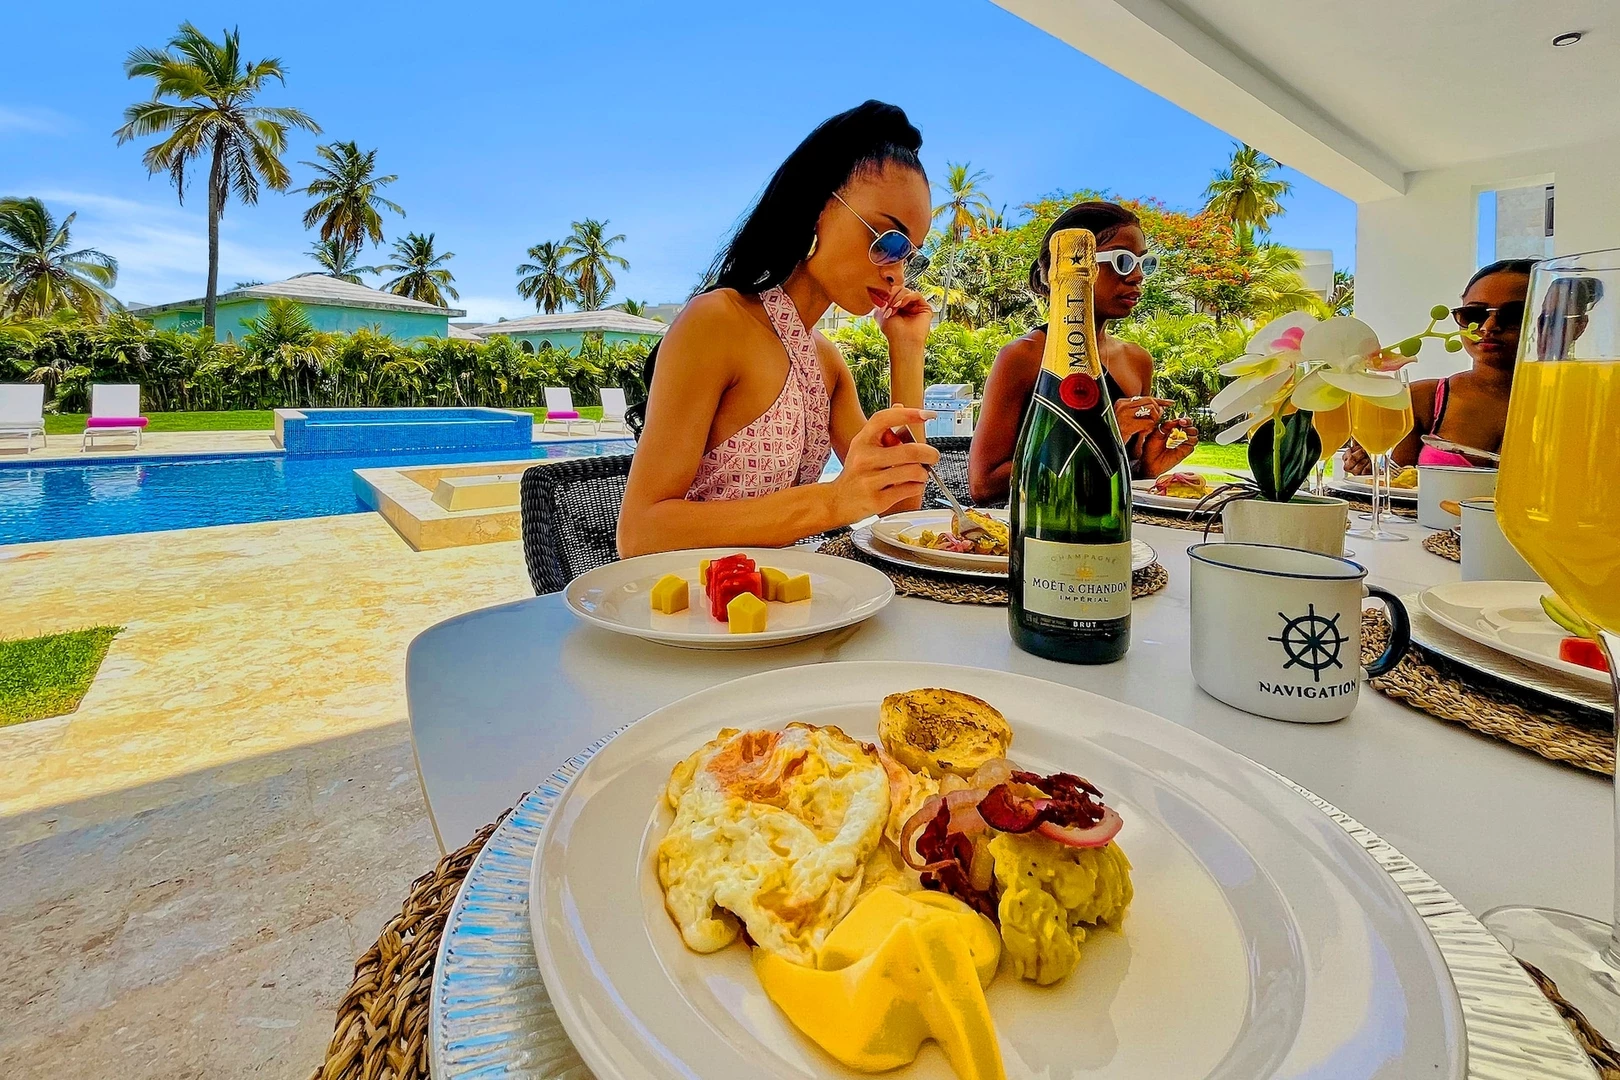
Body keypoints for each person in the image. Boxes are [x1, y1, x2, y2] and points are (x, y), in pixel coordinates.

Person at [617, 101, 940, 557]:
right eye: (888, 240)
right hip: (693, 594)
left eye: (908, 254)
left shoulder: (825, 363)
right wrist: (832, 501)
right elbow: (640, 533)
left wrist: (907, 349)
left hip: (782, 595)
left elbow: (901, 505)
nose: (895, 271)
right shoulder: (718, 322)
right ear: (818, 209)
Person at [968, 201, 1198, 505]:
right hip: (1044, 524)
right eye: (1122, 260)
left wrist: (1148, 468)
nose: (1137, 276)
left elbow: (1111, 475)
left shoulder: (1138, 361)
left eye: (1143, 262)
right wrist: (1103, 432)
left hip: (1111, 524)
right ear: (1072, 267)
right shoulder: (1025, 356)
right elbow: (984, 485)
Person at [1343, 259, 1534, 473]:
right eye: (1474, 315)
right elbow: (1397, 483)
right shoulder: (1424, 400)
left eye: (1514, 315)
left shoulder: (1562, 406)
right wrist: (1367, 467)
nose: (1488, 327)